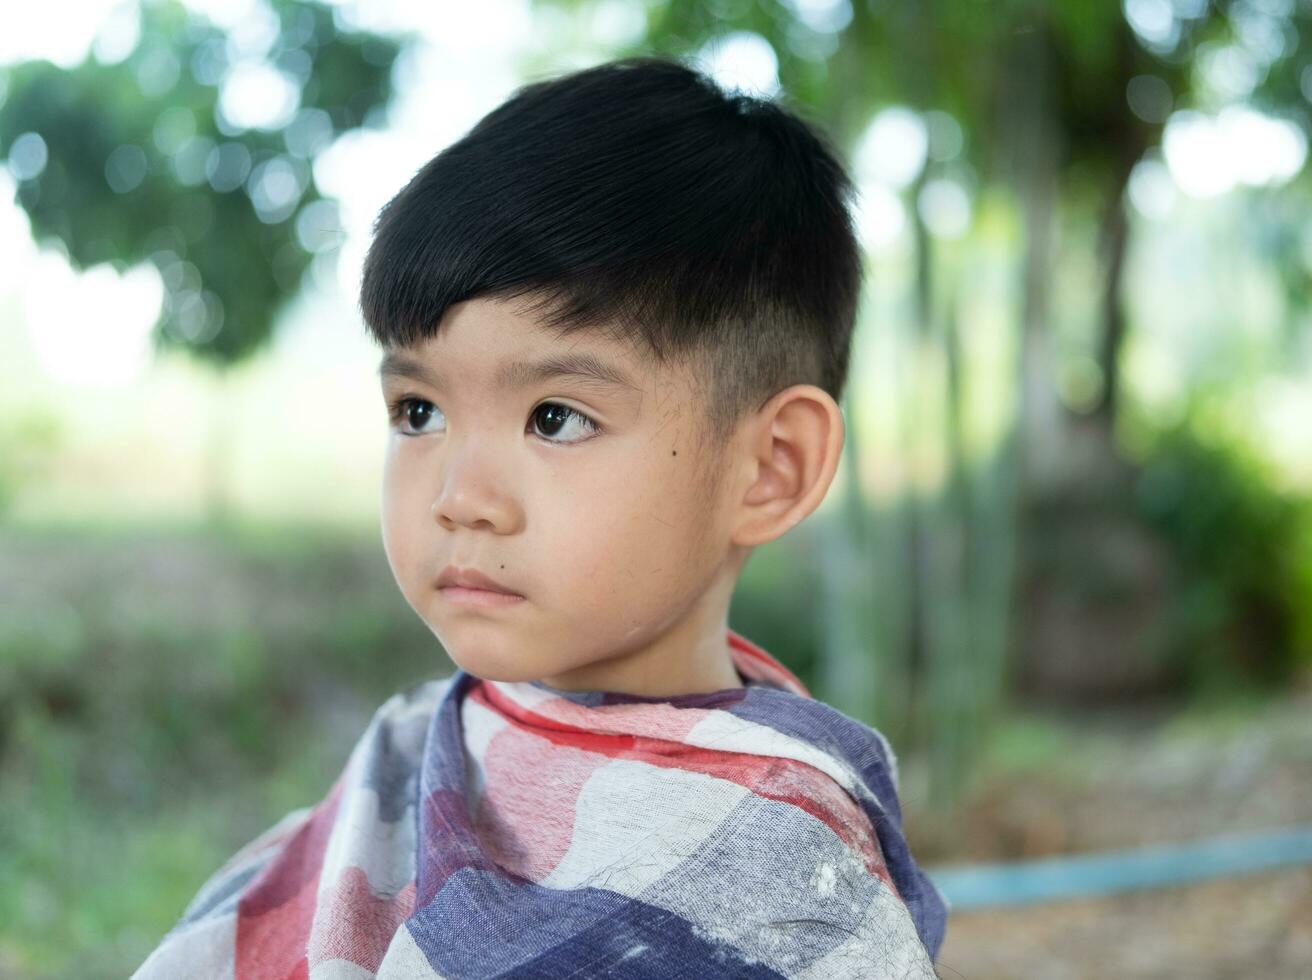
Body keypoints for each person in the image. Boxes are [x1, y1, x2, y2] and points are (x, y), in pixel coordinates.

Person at [134, 55, 949, 978]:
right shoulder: (409, 758)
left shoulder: (786, 882)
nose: (458, 497)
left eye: (554, 418)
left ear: (770, 468)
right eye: (419, 411)